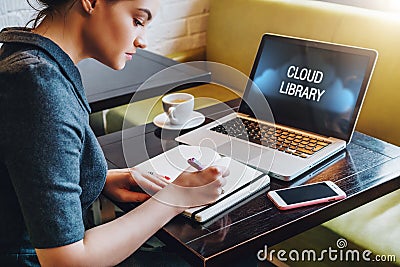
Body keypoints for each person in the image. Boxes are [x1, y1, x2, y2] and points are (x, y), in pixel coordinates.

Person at [0, 0, 228, 266]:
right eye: (138, 21)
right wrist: (175, 198)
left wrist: (95, 179)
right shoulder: (38, 85)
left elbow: (22, 172)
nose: (142, 41)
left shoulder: (26, 58)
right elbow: (65, 260)